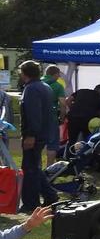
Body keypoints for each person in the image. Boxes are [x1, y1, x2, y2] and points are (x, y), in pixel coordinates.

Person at [17, 60, 58, 213]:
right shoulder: (44, 87)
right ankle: (50, 195)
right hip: (43, 133)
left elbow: (34, 115)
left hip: (34, 135)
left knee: (29, 169)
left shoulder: (31, 89)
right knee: (34, 166)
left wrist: (30, 135)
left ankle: (30, 203)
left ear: (25, 73)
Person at [42, 65, 67, 166]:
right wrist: (62, 117)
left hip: (36, 118)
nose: (59, 77)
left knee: (37, 145)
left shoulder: (37, 83)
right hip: (51, 118)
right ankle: (49, 170)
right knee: (52, 145)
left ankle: (36, 170)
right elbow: (63, 104)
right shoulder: (58, 86)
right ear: (55, 74)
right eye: (58, 75)